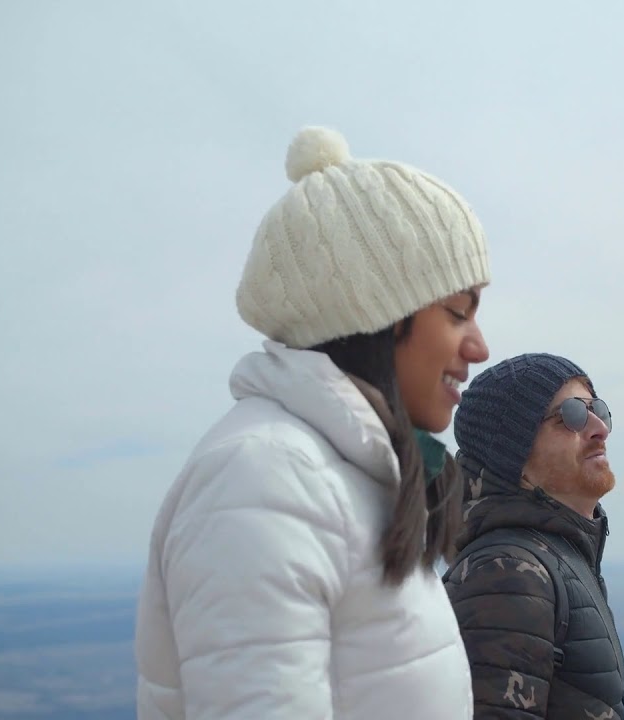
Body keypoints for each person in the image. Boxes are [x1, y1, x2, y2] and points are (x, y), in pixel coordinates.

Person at [134, 126, 491, 719]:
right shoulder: (265, 481)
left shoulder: (351, 477)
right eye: (456, 313)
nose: (478, 346)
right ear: (373, 315)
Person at [443, 353, 624, 719]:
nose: (598, 428)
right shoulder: (508, 572)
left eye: (598, 410)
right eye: (572, 415)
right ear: (513, 452)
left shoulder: (556, 559)